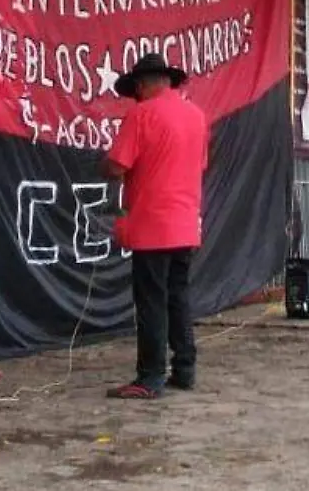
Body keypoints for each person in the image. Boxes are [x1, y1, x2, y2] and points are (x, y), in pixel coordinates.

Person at [101, 53, 209, 400]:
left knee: (151, 302)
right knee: (178, 297)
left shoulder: (141, 114)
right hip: (185, 223)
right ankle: (185, 368)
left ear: (143, 85)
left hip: (152, 225)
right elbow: (200, 164)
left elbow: (117, 166)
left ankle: (149, 377)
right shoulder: (197, 116)